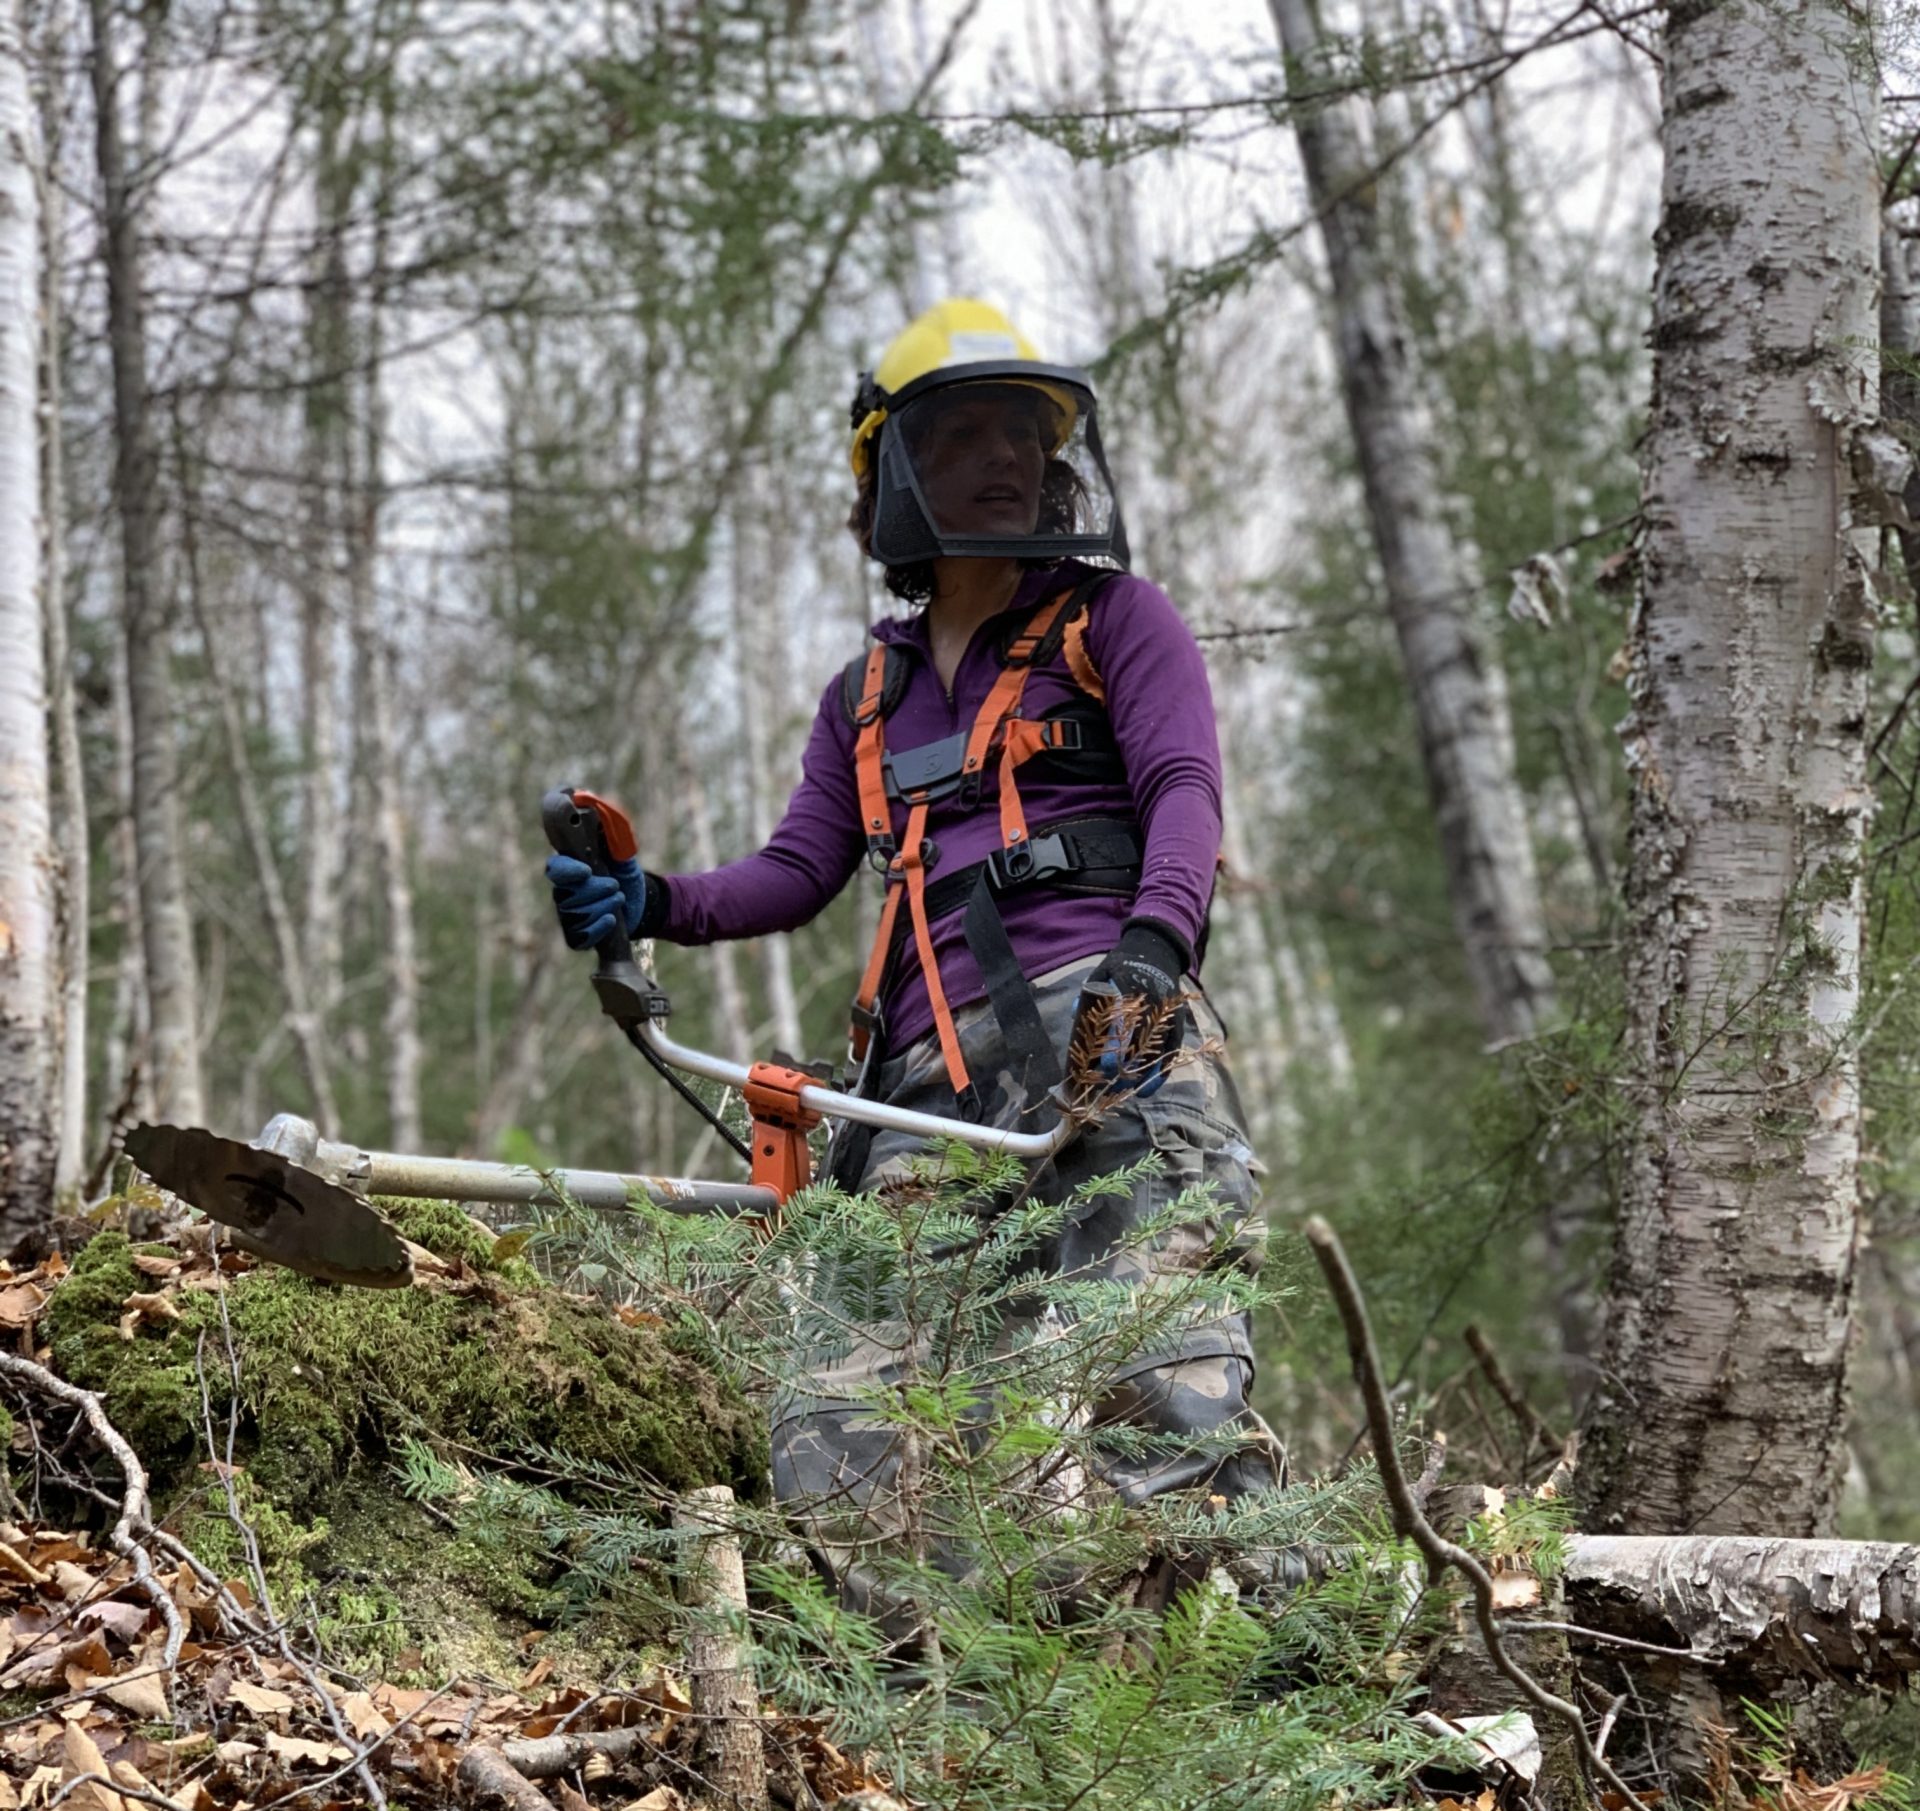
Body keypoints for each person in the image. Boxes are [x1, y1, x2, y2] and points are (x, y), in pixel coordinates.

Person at [545, 298, 1284, 1620]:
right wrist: (643, 898)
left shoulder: (1115, 619)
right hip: (912, 1088)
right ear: (890, 474)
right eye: (963, 436)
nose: (1005, 459)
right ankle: (916, 1713)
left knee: (1168, 1378)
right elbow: (795, 872)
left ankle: (1290, 1688)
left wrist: (1155, 956)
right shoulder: (866, 693)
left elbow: (1185, 791)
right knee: (854, 1426)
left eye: (1026, 434)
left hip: (1106, 1018)